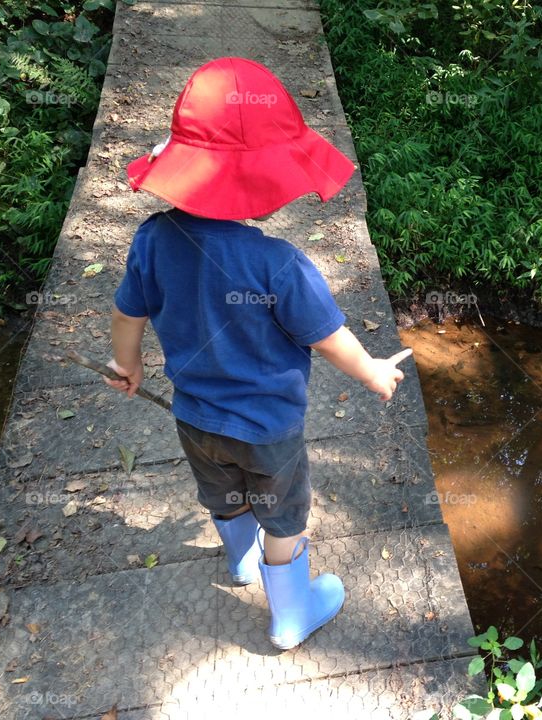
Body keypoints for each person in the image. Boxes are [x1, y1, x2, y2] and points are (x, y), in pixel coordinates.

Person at [103, 56, 412, 650]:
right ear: (259, 186)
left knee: (225, 496)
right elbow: (328, 338)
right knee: (283, 515)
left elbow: (127, 314)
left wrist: (129, 365)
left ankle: (242, 564)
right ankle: (291, 613)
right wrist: (372, 370)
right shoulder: (279, 264)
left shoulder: (152, 239)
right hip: (268, 429)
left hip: (193, 418)